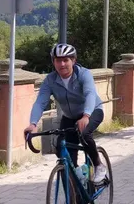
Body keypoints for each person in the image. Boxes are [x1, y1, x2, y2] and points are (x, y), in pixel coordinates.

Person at [24, 44, 108, 184]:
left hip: (92, 111)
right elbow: (40, 102)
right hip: (69, 116)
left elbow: (90, 94)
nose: (62, 64)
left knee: (85, 134)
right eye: (58, 60)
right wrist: (33, 124)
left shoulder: (83, 74)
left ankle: (98, 165)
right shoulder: (50, 80)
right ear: (53, 62)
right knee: (62, 149)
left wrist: (86, 116)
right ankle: (77, 180)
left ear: (73, 60)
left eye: (66, 60)